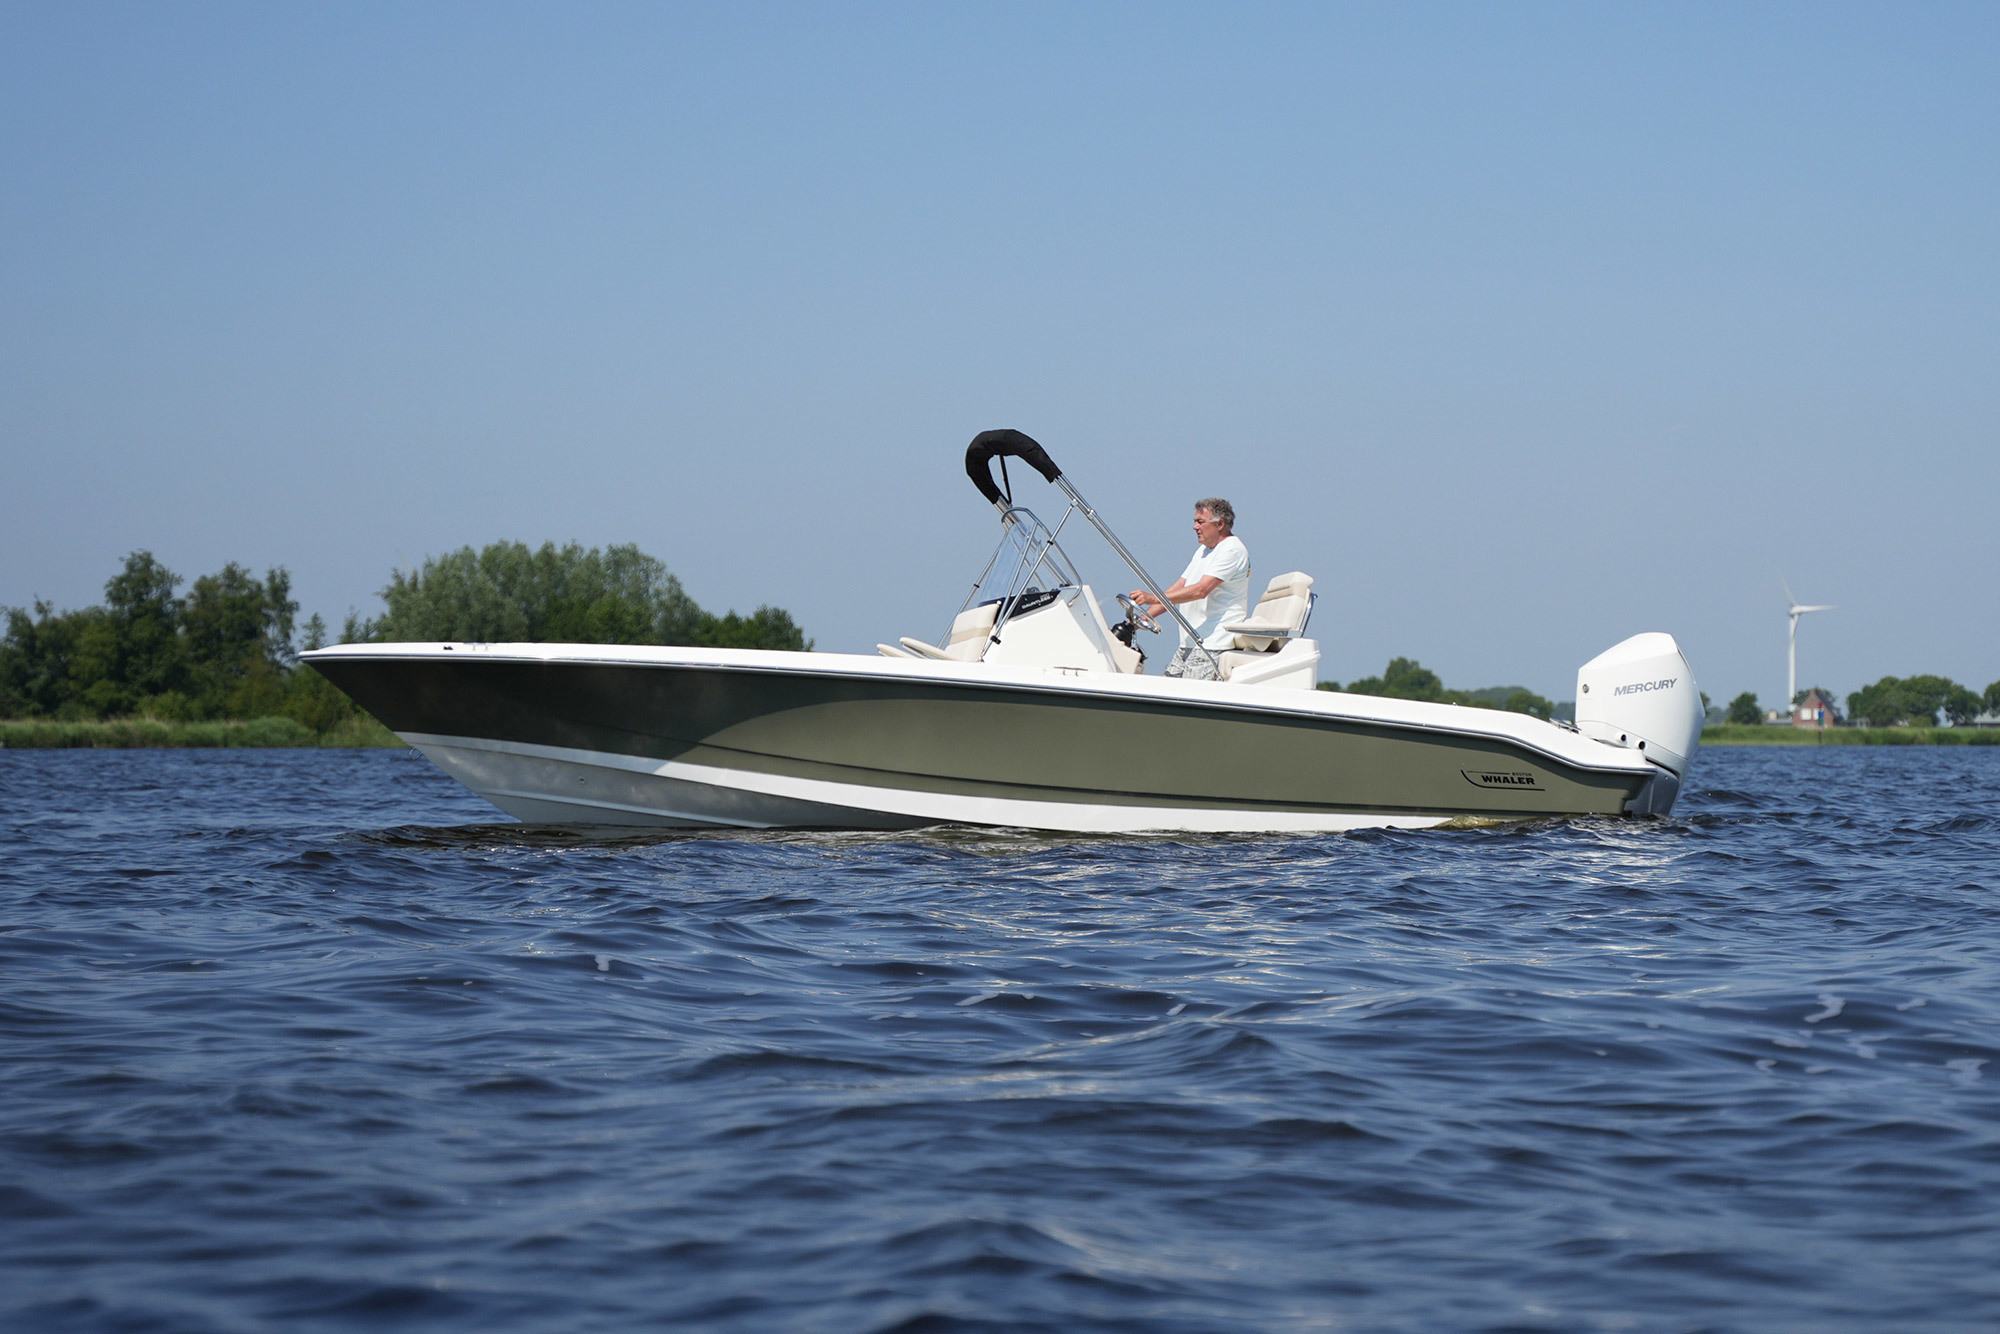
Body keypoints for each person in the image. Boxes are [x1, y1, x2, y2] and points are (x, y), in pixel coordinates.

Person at [1128, 498, 1251, 680]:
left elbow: (1201, 590)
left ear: (1220, 524)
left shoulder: (1232, 550)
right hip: (1190, 643)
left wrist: (1151, 598)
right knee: (1165, 693)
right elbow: (1179, 587)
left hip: (1212, 644)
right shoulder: (1203, 551)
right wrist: (1140, 620)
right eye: (1194, 521)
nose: (1195, 527)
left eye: (1200, 522)